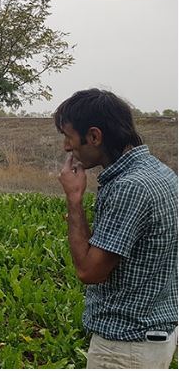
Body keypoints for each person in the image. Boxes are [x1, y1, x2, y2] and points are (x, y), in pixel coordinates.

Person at [54, 89, 177, 368]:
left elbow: (89, 271)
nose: (66, 147)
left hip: (125, 347)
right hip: (153, 334)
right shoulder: (158, 171)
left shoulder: (128, 188)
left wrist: (74, 200)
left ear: (95, 136)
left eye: (68, 137)